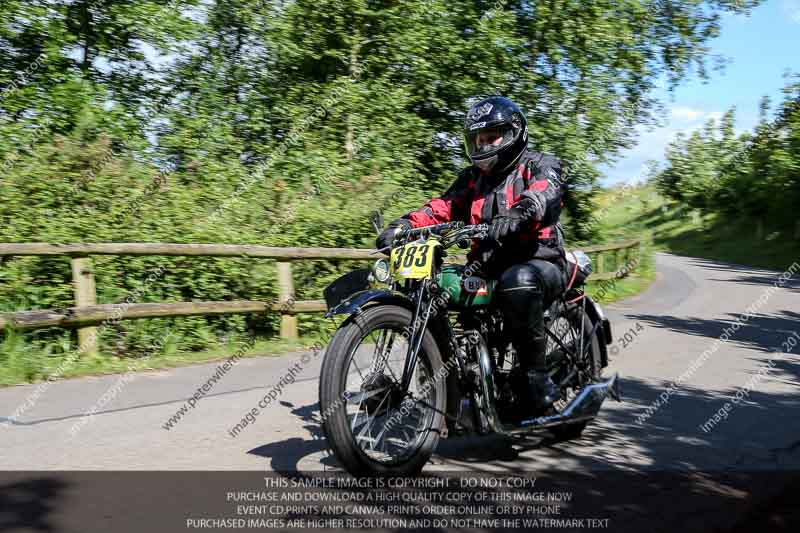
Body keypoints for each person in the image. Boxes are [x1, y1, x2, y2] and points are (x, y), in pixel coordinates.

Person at [376, 96, 567, 414]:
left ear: (512, 133)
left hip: (539, 260)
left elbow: (545, 192)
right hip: (488, 264)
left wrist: (519, 212)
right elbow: (443, 207)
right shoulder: (472, 180)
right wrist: (404, 225)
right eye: (476, 139)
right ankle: (451, 379)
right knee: (440, 287)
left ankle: (537, 379)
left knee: (517, 282)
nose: (482, 145)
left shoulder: (539, 164)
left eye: (489, 137)